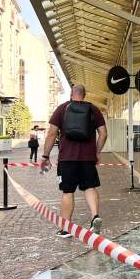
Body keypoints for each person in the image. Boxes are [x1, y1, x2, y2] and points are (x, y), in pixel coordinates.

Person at [40, 84, 108, 238]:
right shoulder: (94, 109)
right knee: (90, 187)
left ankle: (66, 228)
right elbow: (103, 134)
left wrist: (45, 156)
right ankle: (95, 216)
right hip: (87, 158)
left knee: (67, 191)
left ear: (71, 93)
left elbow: (52, 133)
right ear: (84, 94)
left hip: (67, 159)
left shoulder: (62, 108)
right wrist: (97, 152)